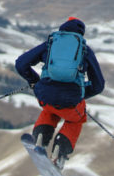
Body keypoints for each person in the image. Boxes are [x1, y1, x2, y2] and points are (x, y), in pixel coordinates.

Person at [15, 17, 105, 168]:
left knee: (51, 109)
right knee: (76, 119)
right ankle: (59, 153)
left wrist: (35, 82)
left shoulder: (51, 44)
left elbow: (21, 63)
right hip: (71, 103)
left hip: (45, 96)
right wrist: (80, 94)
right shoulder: (85, 50)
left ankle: (40, 139)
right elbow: (98, 86)